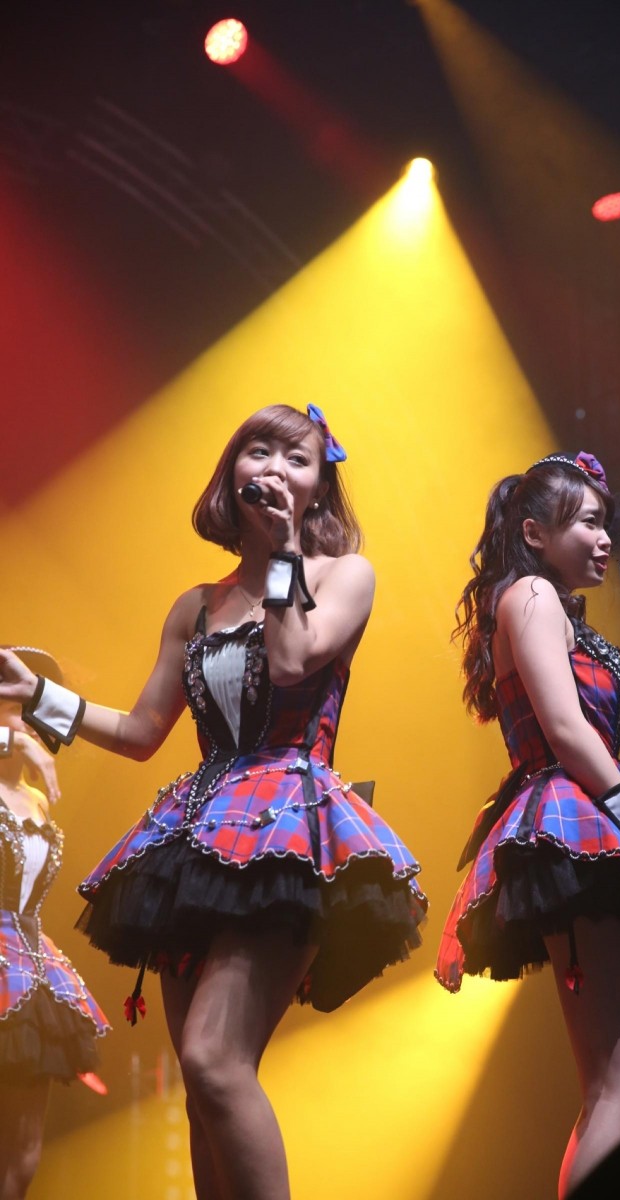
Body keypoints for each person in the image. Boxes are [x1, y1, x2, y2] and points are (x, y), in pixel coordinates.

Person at [0, 405, 427, 1200]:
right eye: (258, 450)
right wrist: (39, 699)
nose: (274, 468)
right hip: (194, 842)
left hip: (289, 829)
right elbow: (140, 732)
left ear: (318, 485)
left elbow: (293, 660)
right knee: (202, 1098)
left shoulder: (343, 575)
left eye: (296, 458)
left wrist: (287, 550)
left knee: (214, 1060)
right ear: (233, 473)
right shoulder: (195, 605)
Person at [435, 451, 620, 1197]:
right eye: (589, 521)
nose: (606, 538)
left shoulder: (565, 615)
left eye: (605, 522)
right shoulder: (528, 595)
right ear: (534, 533)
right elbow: (564, 728)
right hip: (570, 827)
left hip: (592, 817)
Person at [0, 647, 109, 1200]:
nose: (19, 709)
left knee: (22, 1150)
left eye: (28, 699)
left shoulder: (40, 799)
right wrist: (11, 743)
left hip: (30, 971)